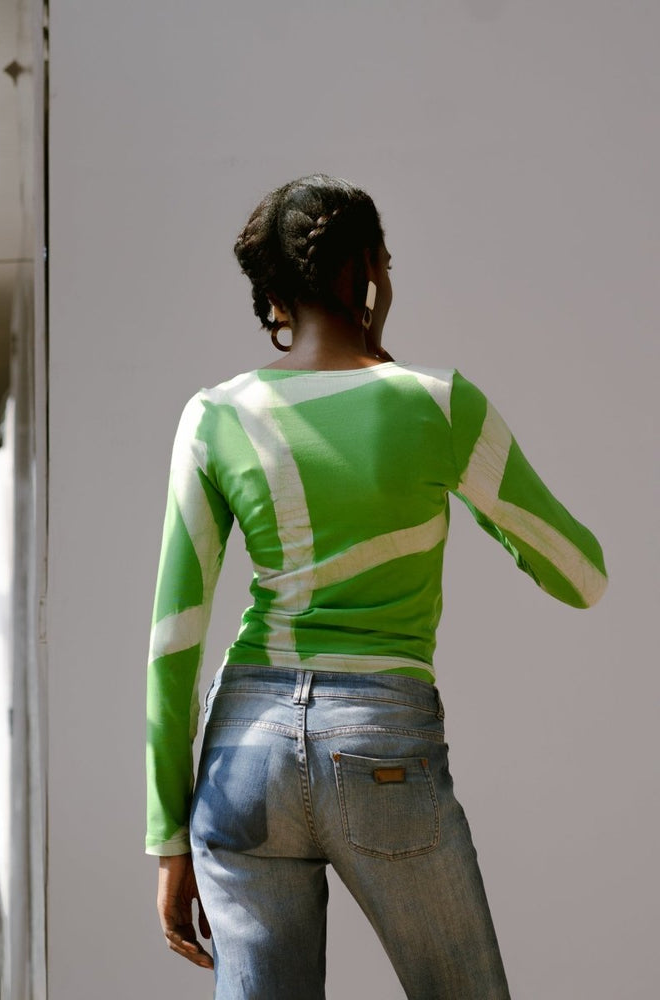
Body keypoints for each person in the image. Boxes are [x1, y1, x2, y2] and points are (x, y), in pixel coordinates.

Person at [146, 174, 607, 999]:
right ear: (369, 272)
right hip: (381, 747)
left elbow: (174, 641)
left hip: (241, 757)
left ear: (273, 290)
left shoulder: (215, 416)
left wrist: (168, 835)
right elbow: (580, 576)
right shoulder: (438, 405)